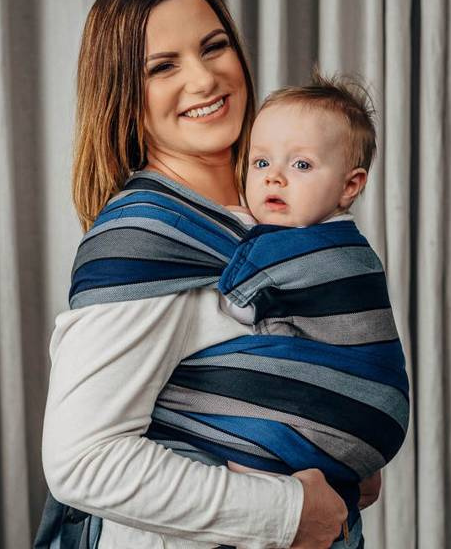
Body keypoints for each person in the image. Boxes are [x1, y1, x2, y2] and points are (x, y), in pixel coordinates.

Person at [38, 0, 357, 549]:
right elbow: (82, 461)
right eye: (163, 66)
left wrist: (343, 451)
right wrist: (288, 512)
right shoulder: (145, 243)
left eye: (214, 47)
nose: (205, 79)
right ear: (124, 94)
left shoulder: (278, 210)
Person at [142, 74, 409, 548]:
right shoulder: (358, 250)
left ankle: (271, 491)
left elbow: (232, 307)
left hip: (339, 412)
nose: (274, 177)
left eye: (301, 164)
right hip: (379, 422)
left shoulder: (281, 247)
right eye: (261, 161)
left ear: (350, 185)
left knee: (205, 426)